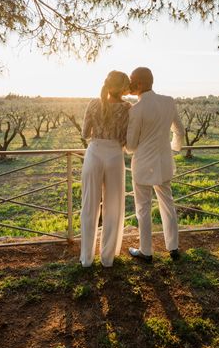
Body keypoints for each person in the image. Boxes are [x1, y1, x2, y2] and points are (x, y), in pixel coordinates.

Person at [125, 67, 185, 262]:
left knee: (142, 208)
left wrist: (127, 146)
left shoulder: (137, 109)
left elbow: (132, 146)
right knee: (168, 204)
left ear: (140, 83)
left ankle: (146, 251)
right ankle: (173, 247)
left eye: (132, 80)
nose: (130, 83)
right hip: (164, 161)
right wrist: (173, 148)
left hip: (142, 163)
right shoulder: (168, 101)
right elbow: (180, 130)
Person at [79, 70, 131, 267]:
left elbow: (85, 133)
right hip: (115, 155)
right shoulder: (128, 109)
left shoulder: (93, 104)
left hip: (94, 153)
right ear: (124, 89)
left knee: (89, 205)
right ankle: (107, 258)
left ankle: (86, 259)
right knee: (113, 206)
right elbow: (127, 140)